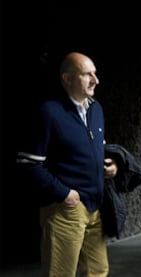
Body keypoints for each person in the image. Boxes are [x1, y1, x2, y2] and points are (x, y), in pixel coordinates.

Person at [16, 52, 118, 277]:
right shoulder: (49, 113)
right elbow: (27, 164)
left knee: (98, 271)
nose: (95, 80)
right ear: (67, 79)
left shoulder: (95, 109)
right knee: (60, 274)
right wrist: (64, 194)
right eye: (87, 74)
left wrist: (110, 167)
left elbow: (96, 149)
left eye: (95, 73)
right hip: (66, 209)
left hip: (95, 207)